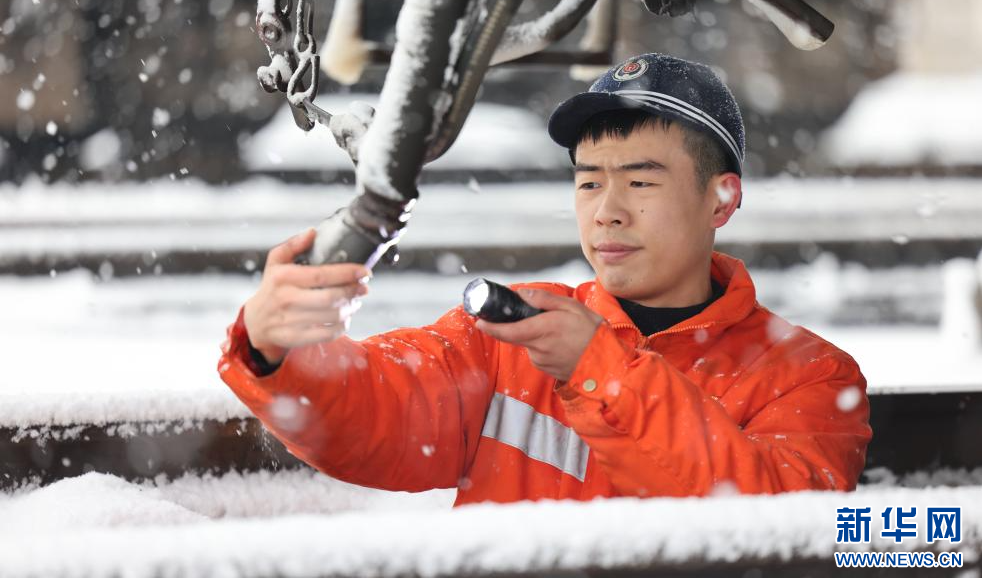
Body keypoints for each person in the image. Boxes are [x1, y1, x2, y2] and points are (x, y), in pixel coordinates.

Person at [218, 53, 872, 505]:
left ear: (722, 199)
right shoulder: (509, 338)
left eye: (641, 182)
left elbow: (776, 521)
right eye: (588, 182)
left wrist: (599, 371)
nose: (607, 210)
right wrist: (279, 351)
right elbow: (374, 416)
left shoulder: (811, 376)